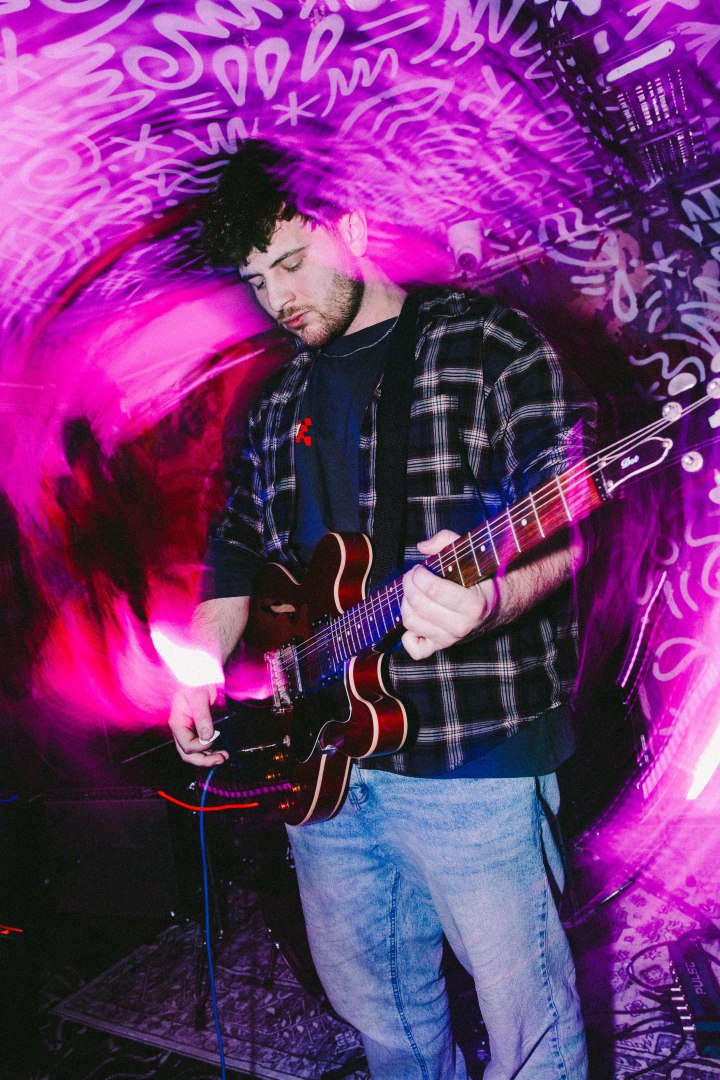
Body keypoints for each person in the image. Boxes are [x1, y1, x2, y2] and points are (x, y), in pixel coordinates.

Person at [169, 139, 597, 1078]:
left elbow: (568, 522)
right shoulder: (273, 401)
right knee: (383, 1015)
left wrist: (490, 599)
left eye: (292, 263)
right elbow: (234, 548)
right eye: (256, 281)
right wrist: (201, 671)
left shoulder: (487, 343)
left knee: (527, 1022)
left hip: (473, 748)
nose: (279, 299)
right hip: (325, 762)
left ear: (354, 229)